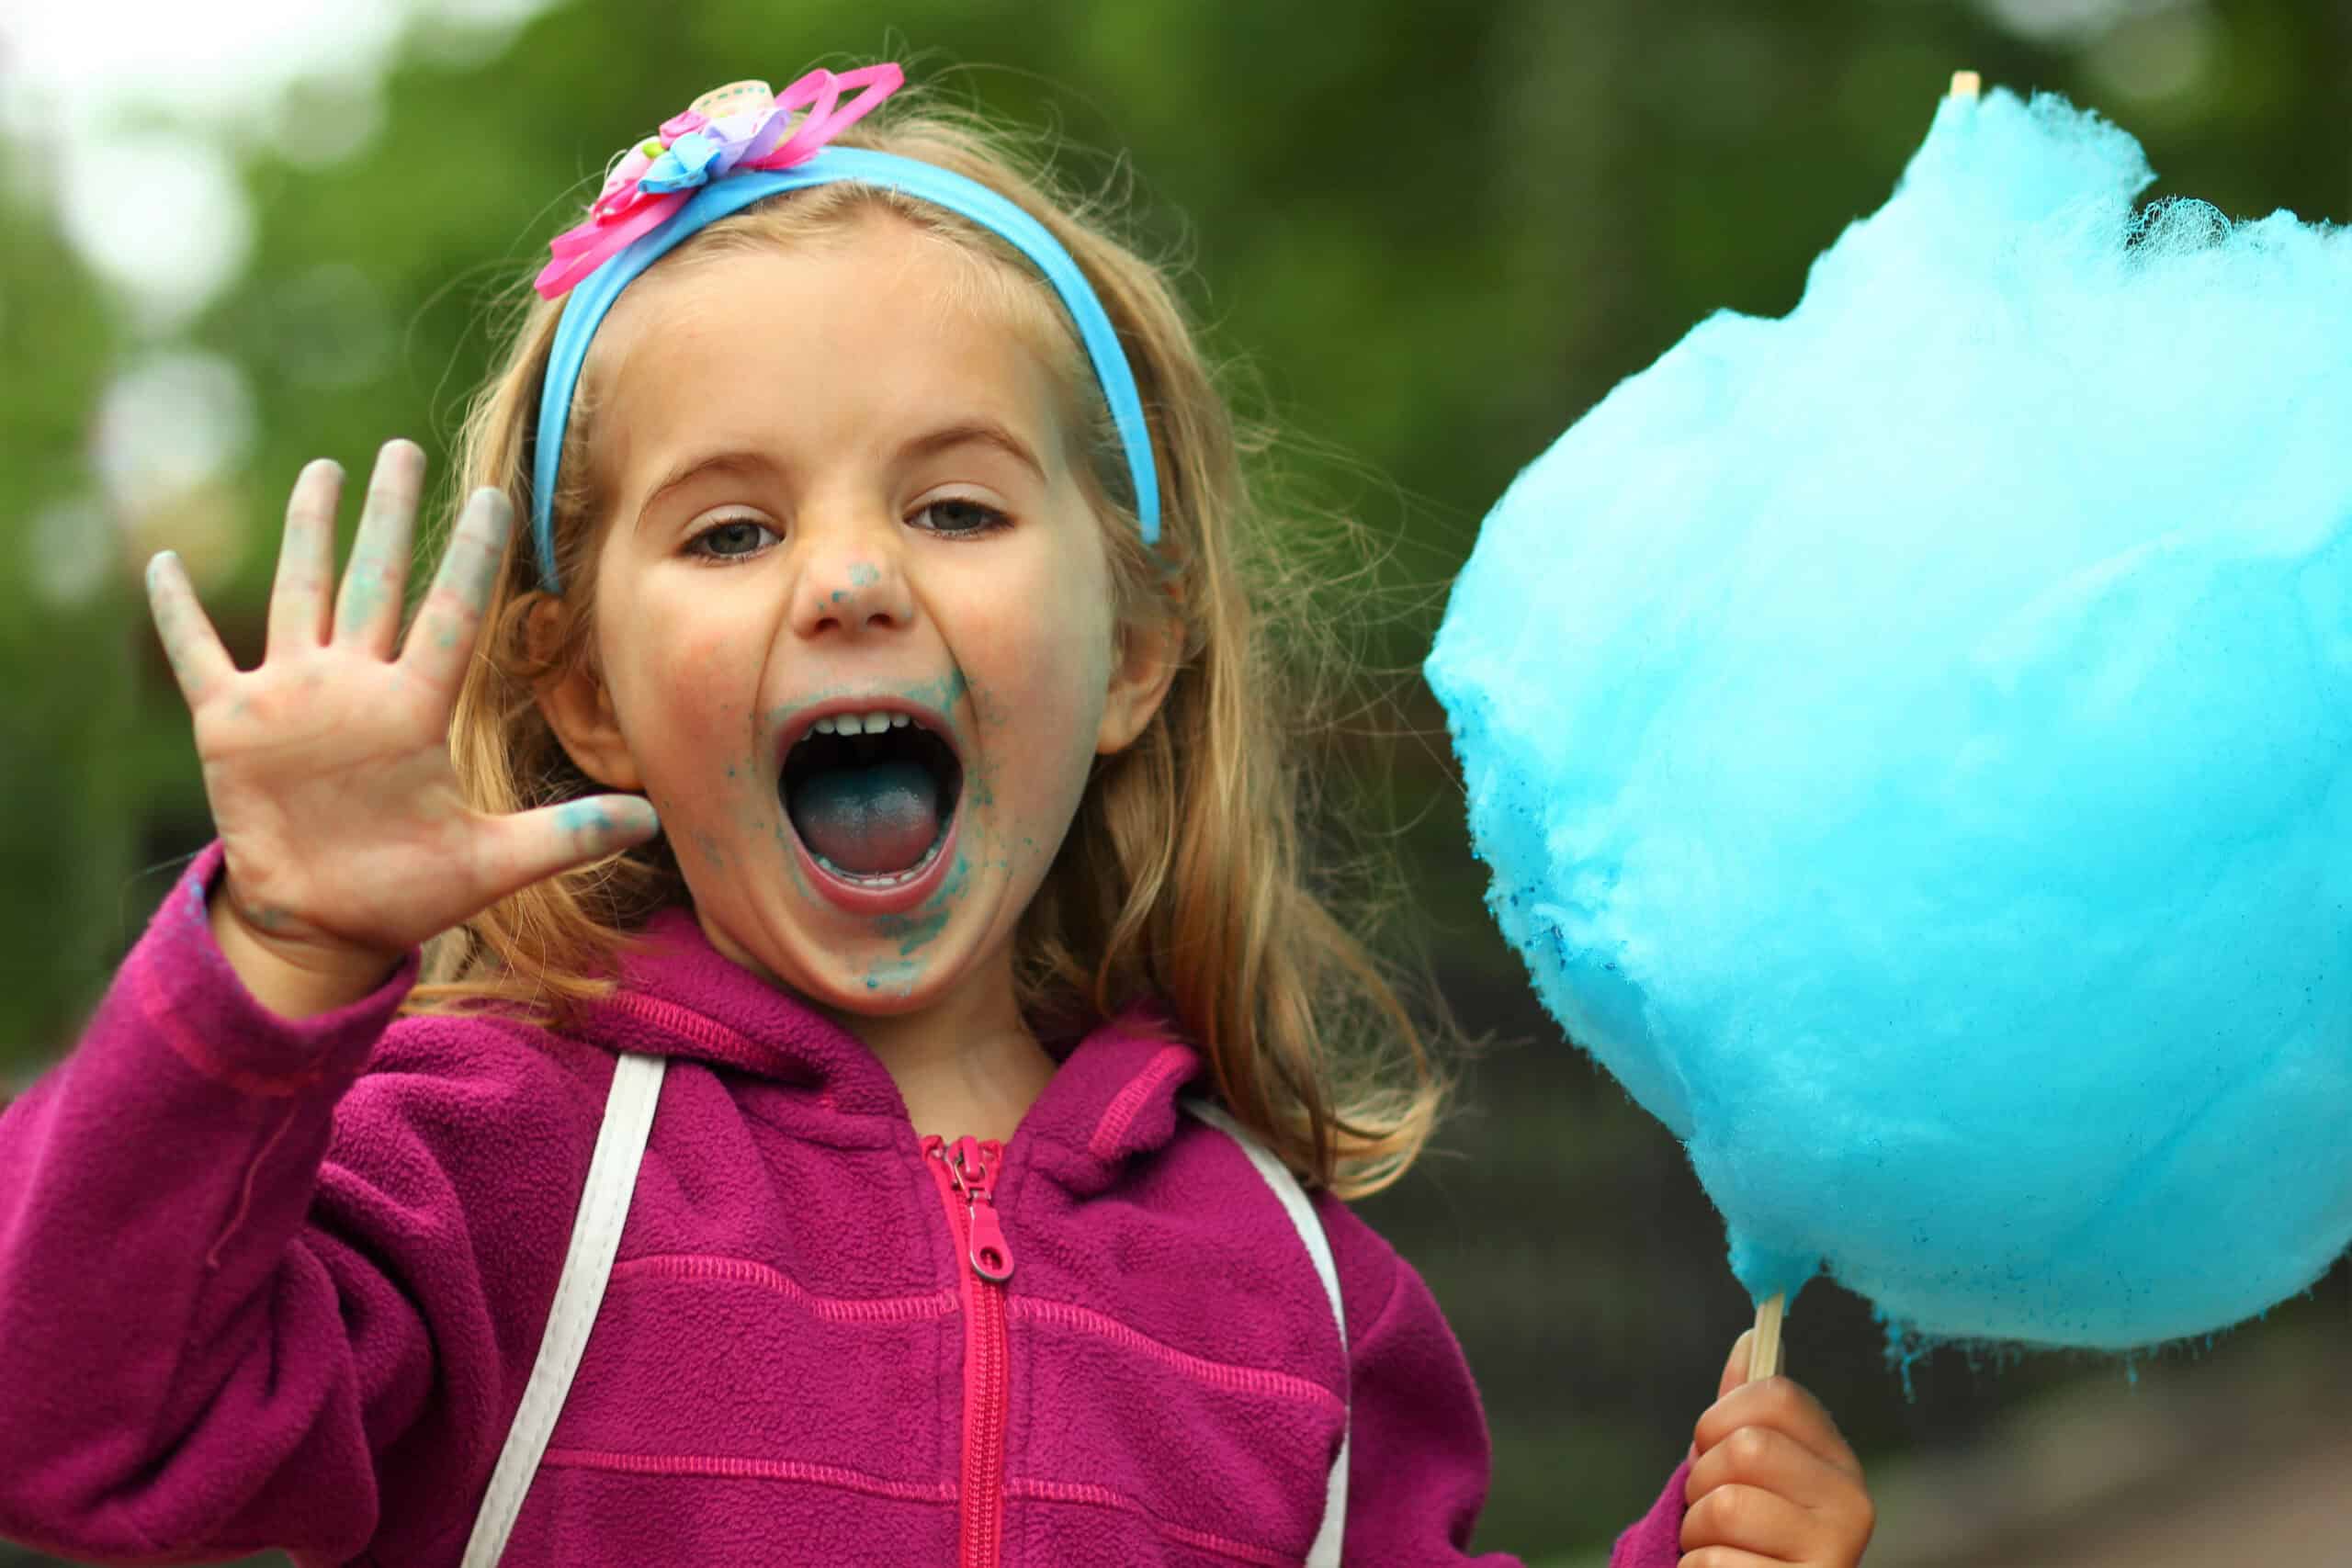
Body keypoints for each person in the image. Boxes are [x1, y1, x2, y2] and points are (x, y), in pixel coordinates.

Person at [0, 61, 1873, 1567]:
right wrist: (280, 953)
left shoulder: (1294, 1287)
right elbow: (68, 1428)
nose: (845, 578)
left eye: (955, 508)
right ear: (582, 689)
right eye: (731, 529)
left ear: (1136, 645)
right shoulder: (487, 1158)